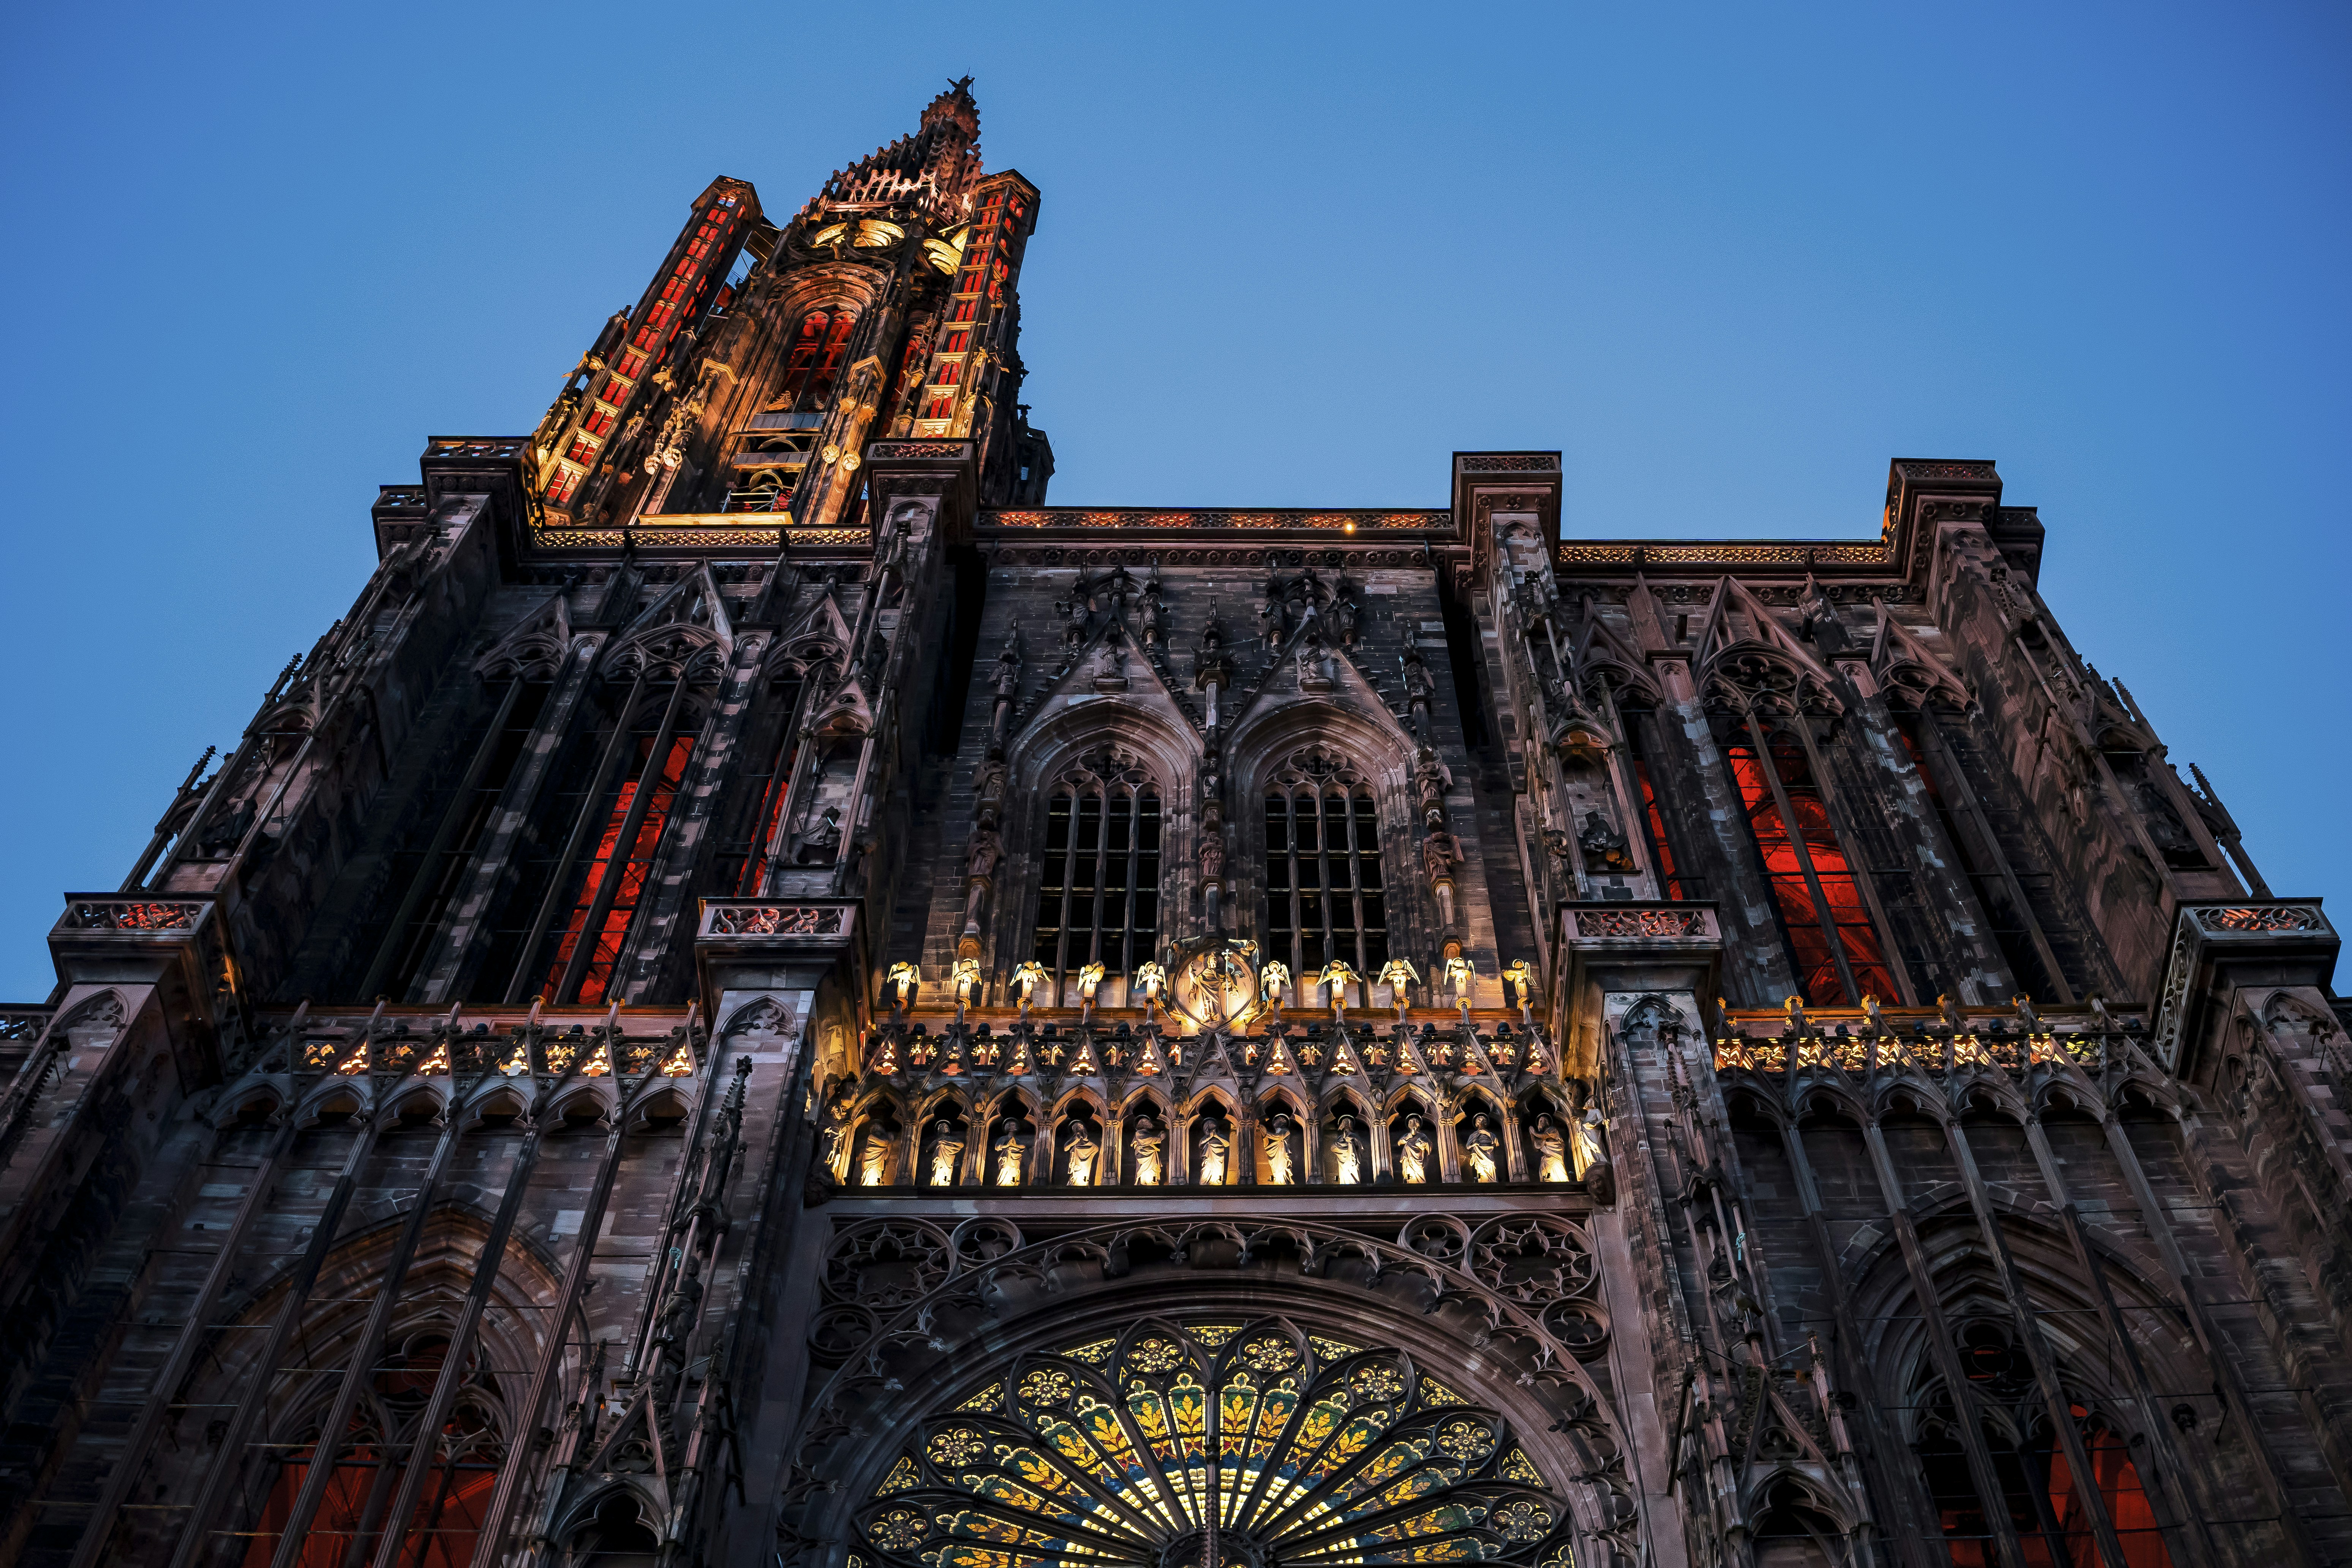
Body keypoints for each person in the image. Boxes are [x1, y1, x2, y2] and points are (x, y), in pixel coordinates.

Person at [1531, 1115, 1570, 1184]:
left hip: (1556, 1151)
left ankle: (1563, 1182)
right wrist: (1532, 1135)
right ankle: (1548, 1180)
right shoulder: (1542, 1139)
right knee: (1544, 1167)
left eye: (1544, 1120)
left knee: (1557, 1166)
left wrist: (1535, 1133)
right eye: (1541, 1121)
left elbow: (1546, 1136)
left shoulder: (1552, 1130)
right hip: (1547, 1154)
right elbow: (1537, 1147)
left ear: (1547, 1122)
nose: (1542, 1122)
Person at [1463, 1113, 1501, 1183]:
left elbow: (1496, 1143)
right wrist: (1474, 1145)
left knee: (1490, 1167)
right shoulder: (1474, 1135)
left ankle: (1492, 1181)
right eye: (1478, 1120)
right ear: (1476, 1123)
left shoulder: (1491, 1134)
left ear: (1485, 1122)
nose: (1480, 1121)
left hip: (1489, 1153)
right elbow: (1468, 1146)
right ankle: (1481, 1181)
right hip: (1478, 1152)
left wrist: (1487, 1133)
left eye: (1482, 1120)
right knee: (1479, 1169)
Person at [1396, 1116, 1434, 1184]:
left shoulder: (1422, 1136)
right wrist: (1410, 1135)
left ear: (1418, 1124)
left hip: (1418, 1156)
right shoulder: (1408, 1135)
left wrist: (1423, 1143)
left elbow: (1429, 1144)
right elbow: (1400, 1142)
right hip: (1408, 1156)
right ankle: (1408, 1182)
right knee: (1408, 1169)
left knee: (1419, 1168)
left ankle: (1421, 1183)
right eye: (1410, 1122)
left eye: (1413, 1122)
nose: (1411, 1124)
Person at [928, 1119, 964, 1186]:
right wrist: (939, 1141)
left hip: (947, 1160)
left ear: (948, 1130)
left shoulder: (951, 1139)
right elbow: (928, 1150)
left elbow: (961, 1144)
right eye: (942, 1126)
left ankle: (944, 1183)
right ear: (939, 1130)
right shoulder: (938, 1140)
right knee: (937, 1173)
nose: (944, 1127)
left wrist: (947, 1142)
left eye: (945, 1126)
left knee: (945, 1174)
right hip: (938, 1160)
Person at [1331, 1116, 1366, 1185]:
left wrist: (1352, 1140)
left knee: (1354, 1168)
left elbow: (1361, 1147)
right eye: (1346, 1123)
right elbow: (1333, 1148)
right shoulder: (1340, 1138)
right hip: (1343, 1161)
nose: (1348, 1125)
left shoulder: (1355, 1136)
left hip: (1353, 1158)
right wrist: (1344, 1140)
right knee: (1345, 1173)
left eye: (1349, 1123)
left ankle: (1355, 1183)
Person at [1262, 1114, 1296, 1185]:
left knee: (1282, 1167)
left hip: (1282, 1153)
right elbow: (1270, 1146)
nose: (1275, 1122)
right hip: (1277, 1154)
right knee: (1276, 1169)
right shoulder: (1275, 1137)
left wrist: (1267, 1134)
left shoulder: (1286, 1131)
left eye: (1277, 1120)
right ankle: (1278, 1182)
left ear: (1282, 1122)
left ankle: (1284, 1182)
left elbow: (1278, 1137)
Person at [1131, 1117, 1166, 1185]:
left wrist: (1159, 1136)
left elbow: (1151, 1141)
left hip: (1152, 1155)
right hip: (1145, 1156)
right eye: (1148, 1123)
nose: (1150, 1125)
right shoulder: (1139, 1134)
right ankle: (1146, 1183)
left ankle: (1154, 1182)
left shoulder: (1147, 1134)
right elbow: (1147, 1140)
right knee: (1145, 1170)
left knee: (1153, 1170)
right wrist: (1160, 1138)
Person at [1064, 1122, 1100, 1187]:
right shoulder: (1074, 1139)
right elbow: (1066, 1148)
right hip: (1077, 1163)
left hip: (1086, 1165)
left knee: (1084, 1174)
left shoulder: (1092, 1146)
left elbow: (1096, 1149)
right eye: (1078, 1130)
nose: (1080, 1132)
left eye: (1081, 1129)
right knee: (1077, 1175)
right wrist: (1076, 1141)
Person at [1198, 1117, 1231, 1185]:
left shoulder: (1221, 1136)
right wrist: (1210, 1136)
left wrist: (1217, 1136)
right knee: (1207, 1168)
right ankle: (1205, 1183)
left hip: (1219, 1157)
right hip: (1209, 1156)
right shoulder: (1206, 1138)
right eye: (1210, 1125)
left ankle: (1218, 1182)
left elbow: (1227, 1144)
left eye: (1213, 1125)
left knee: (1218, 1170)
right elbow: (1201, 1144)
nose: (1212, 1127)